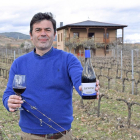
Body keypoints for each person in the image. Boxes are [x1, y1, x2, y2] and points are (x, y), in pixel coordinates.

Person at [3, 12, 99, 140]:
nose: (43, 33)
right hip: (29, 136)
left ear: (54, 35)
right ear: (31, 35)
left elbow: (79, 80)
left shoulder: (69, 60)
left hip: (62, 136)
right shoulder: (19, 63)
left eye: (47, 30)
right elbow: (8, 93)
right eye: (38, 30)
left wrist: (86, 88)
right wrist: (8, 101)